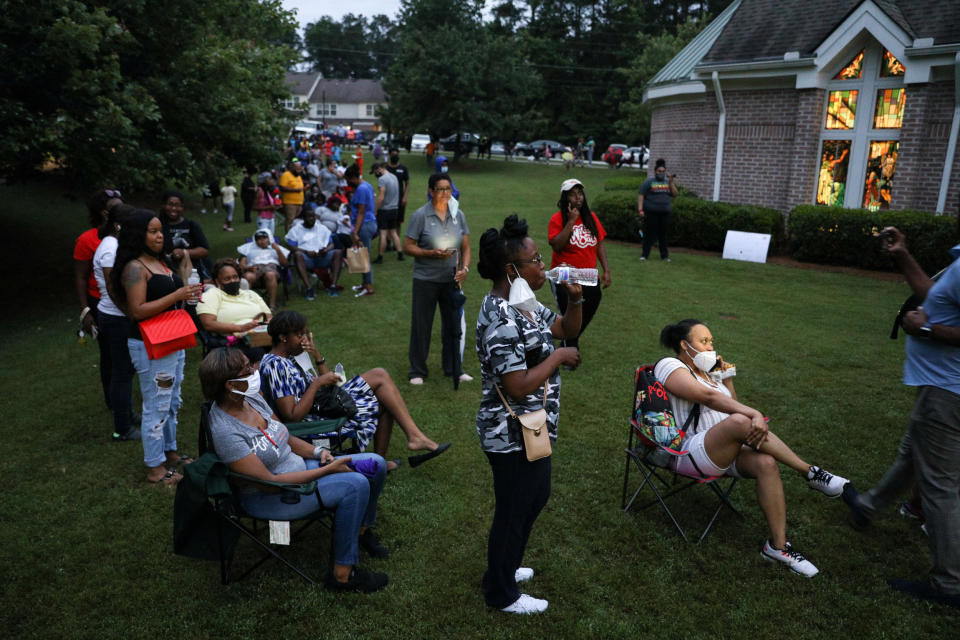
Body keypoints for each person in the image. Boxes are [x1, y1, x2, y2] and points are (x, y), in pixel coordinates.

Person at [655, 319, 850, 578]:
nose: (710, 346)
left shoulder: (710, 374)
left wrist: (726, 378)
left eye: (711, 341)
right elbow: (708, 398)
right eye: (703, 341)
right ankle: (809, 472)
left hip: (724, 448)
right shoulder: (670, 365)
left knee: (766, 463)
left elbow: (730, 403)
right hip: (688, 453)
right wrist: (754, 413)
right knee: (740, 420)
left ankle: (778, 547)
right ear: (684, 345)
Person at [198, 347, 390, 593]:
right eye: (246, 369)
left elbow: (284, 435)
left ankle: (360, 532)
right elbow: (267, 482)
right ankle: (342, 576)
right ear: (229, 384)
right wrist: (328, 470)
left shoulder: (251, 398)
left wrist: (318, 453)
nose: (254, 370)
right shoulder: (225, 430)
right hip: (272, 494)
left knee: (376, 464)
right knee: (357, 484)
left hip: (298, 467)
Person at [844, 227, 960, 607]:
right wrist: (903, 255)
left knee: (940, 487)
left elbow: (936, 316)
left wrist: (924, 327)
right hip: (939, 387)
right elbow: (937, 297)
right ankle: (870, 505)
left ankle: (948, 584)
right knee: (915, 450)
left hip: (949, 390)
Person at [474, 214, 582, 614]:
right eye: (535, 260)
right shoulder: (500, 317)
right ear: (511, 268)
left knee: (534, 498)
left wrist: (575, 298)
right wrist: (557, 358)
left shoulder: (524, 301)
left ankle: (504, 565)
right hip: (508, 431)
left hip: (532, 428)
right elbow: (516, 385)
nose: (543, 266)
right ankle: (500, 593)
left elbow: (563, 327)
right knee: (514, 508)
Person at [259, 311, 450, 473]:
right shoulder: (276, 366)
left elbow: (330, 386)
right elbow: (292, 416)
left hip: (323, 404)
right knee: (380, 378)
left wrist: (316, 356)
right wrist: (316, 383)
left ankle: (380, 461)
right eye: (299, 334)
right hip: (314, 421)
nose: (304, 338)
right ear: (283, 338)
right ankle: (404, 444)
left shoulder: (288, 358)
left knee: (383, 390)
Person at [112, 209, 203, 485]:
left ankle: (170, 451)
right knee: (157, 403)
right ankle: (155, 468)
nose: (160, 235)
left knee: (173, 400)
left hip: (172, 337)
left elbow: (171, 296)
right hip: (150, 344)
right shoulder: (135, 268)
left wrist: (186, 286)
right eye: (153, 231)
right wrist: (177, 293)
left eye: (160, 230)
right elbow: (137, 310)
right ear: (138, 235)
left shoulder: (159, 262)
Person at [404, 174, 471, 386]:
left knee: (453, 326)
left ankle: (453, 368)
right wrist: (430, 253)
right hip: (426, 279)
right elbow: (407, 246)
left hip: (451, 279)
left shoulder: (458, 215)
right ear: (431, 191)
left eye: (448, 189)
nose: (445, 193)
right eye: (440, 189)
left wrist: (465, 269)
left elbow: (466, 247)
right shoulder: (420, 216)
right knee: (421, 325)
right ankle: (417, 370)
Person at [92, 203, 140, 442]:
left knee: (126, 370)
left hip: (116, 315)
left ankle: (128, 414)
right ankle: (122, 428)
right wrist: (129, 312)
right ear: (119, 225)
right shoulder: (110, 248)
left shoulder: (113, 244)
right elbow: (112, 287)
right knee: (122, 373)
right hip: (115, 317)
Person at [547, 179, 611, 352]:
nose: (578, 198)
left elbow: (599, 243)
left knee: (592, 303)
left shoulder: (591, 218)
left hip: (589, 275)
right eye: (573, 194)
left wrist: (606, 270)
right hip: (565, 275)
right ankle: (570, 351)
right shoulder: (557, 219)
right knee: (569, 311)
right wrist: (571, 221)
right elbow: (556, 245)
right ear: (565, 197)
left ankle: (568, 338)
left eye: (580, 194)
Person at [75, 188, 124, 412]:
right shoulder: (87, 240)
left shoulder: (127, 233)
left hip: (127, 299)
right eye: (117, 208)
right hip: (101, 301)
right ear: (104, 212)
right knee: (109, 353)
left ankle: (123, 395)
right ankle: (112, 400)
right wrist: (85, 309)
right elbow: (81, 276)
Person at [196, 257, 272, 358]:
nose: (233, 281)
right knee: (258, 352)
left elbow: (269, 316)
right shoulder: (212, 295)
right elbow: (208, 324)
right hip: (233, 341)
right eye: (227, 279)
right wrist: (240, 328)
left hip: (261, 335)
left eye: (235, 277)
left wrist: (266, 325)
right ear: (217, 281)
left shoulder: (250, 294)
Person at [285, 208, 343, 299]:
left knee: (338, 252)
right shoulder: (295, 230)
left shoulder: (321, 228)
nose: (312, 219)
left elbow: (331, 244)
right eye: (309, 217)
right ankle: (309, 288)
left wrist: (326, 250)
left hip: (322, 256)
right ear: (303, 218)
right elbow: (291, 247)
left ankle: (333, 286)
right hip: (307, 258)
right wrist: (305, 252)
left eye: (313, 216)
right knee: (297, 255)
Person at [160, 189, 212, 282]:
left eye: (177, 205)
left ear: (182, 207)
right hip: (165, 273)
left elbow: (204, 250)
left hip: (192, 273)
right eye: (170, 204)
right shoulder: (158, 226)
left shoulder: (191, 225)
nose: (174, 208)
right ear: (163, 205)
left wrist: (184, 252)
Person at [344, 163, 377, 298]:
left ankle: (368, 287)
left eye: (348, 180)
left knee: (364, 256)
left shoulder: (362, 189)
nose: (347, 183)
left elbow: (361, 213)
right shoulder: (366, 185)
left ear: (353, 178)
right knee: (362, 255)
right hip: (368, 223)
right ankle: (364, 283)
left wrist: (355, 232)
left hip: (364, 226)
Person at [237, 229, 289, 312]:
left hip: (270, 268)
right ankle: (246, 305)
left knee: (270, 274)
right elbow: (241, 265)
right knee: (247, 276)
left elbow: (285, 264)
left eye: (264, 238)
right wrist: (248, 268)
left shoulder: (275, 249)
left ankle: (272, 306)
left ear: (269, 239)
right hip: (254, 269)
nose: (262, 241)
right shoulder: (248, 249)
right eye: (259, 239)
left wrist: (278, 250)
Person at [637, 159, 678, 262]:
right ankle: (644, 255)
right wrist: (640, 209)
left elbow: (675, 194)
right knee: (648, 234)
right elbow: (641, 195)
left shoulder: (667, 182)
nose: (661, 173)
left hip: (664, 213)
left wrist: (671, 182)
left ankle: (664, 256)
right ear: (655, 172)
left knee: (663, 235)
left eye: (663, 171)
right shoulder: (649, 182)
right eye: (659, 171)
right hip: (651, 213)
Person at [371, 163, 402, 264]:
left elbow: (381, 197)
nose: (375, 174)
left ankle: (380, 256)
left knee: (383, 233)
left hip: (384, 210)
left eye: (375, 172)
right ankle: (400, 254)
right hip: (394, 209)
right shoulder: (394, 177)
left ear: (379, 169)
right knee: (393, 232)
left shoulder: (382, 179)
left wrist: (375, 210)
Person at [385, 147, 410, 234]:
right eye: (393, 155)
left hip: (400, 199)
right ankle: (387, 241)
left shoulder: (403, 168)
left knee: (398, 221)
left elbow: (407, 184)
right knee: (388, 220)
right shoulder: (385, 169)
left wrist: (405, 197)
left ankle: (396, 242)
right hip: (387, 198)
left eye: (396, 155)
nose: (395, 156)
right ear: (390, 155)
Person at [278, 160, 305, 235]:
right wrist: (295, 190)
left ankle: (294, 235)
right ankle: (288, 237)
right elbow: (282, 187)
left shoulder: (298, 176)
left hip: (299, 202)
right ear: (292, 168)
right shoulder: (286, 175)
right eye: (297, 168)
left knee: (295, 221)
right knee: (290, 220)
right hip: (290, 202)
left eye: (300, 168)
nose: (299, 170)